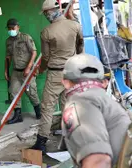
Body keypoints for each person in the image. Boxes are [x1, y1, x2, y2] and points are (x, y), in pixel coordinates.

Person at [61, 53, 132, 168]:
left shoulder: (80, 102)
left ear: (65, 82)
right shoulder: (110, 103)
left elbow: (97, 161)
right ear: (104, 82)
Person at [30, 0, 84, 152]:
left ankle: (41, 142)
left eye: (46, 12)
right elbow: (80, 46)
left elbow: (46, 57)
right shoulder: (75, 26)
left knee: (47, 107)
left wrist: (40, 70)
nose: (46, 15)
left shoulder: (46, 32)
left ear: (52, 11)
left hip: (55, 74)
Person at [4, 18, 41, 124]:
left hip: (27, 71)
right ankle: (17, 116)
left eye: (13, 28)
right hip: (16, 72)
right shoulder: (8, 41)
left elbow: (34, 52)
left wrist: (29, 67)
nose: (11, 30)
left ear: (18, 27)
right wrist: (6, 71)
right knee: (13, 92)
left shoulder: (26, 38)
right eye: (9, 28)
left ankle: (38, 113)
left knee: (31, 93)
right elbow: (8, 57)